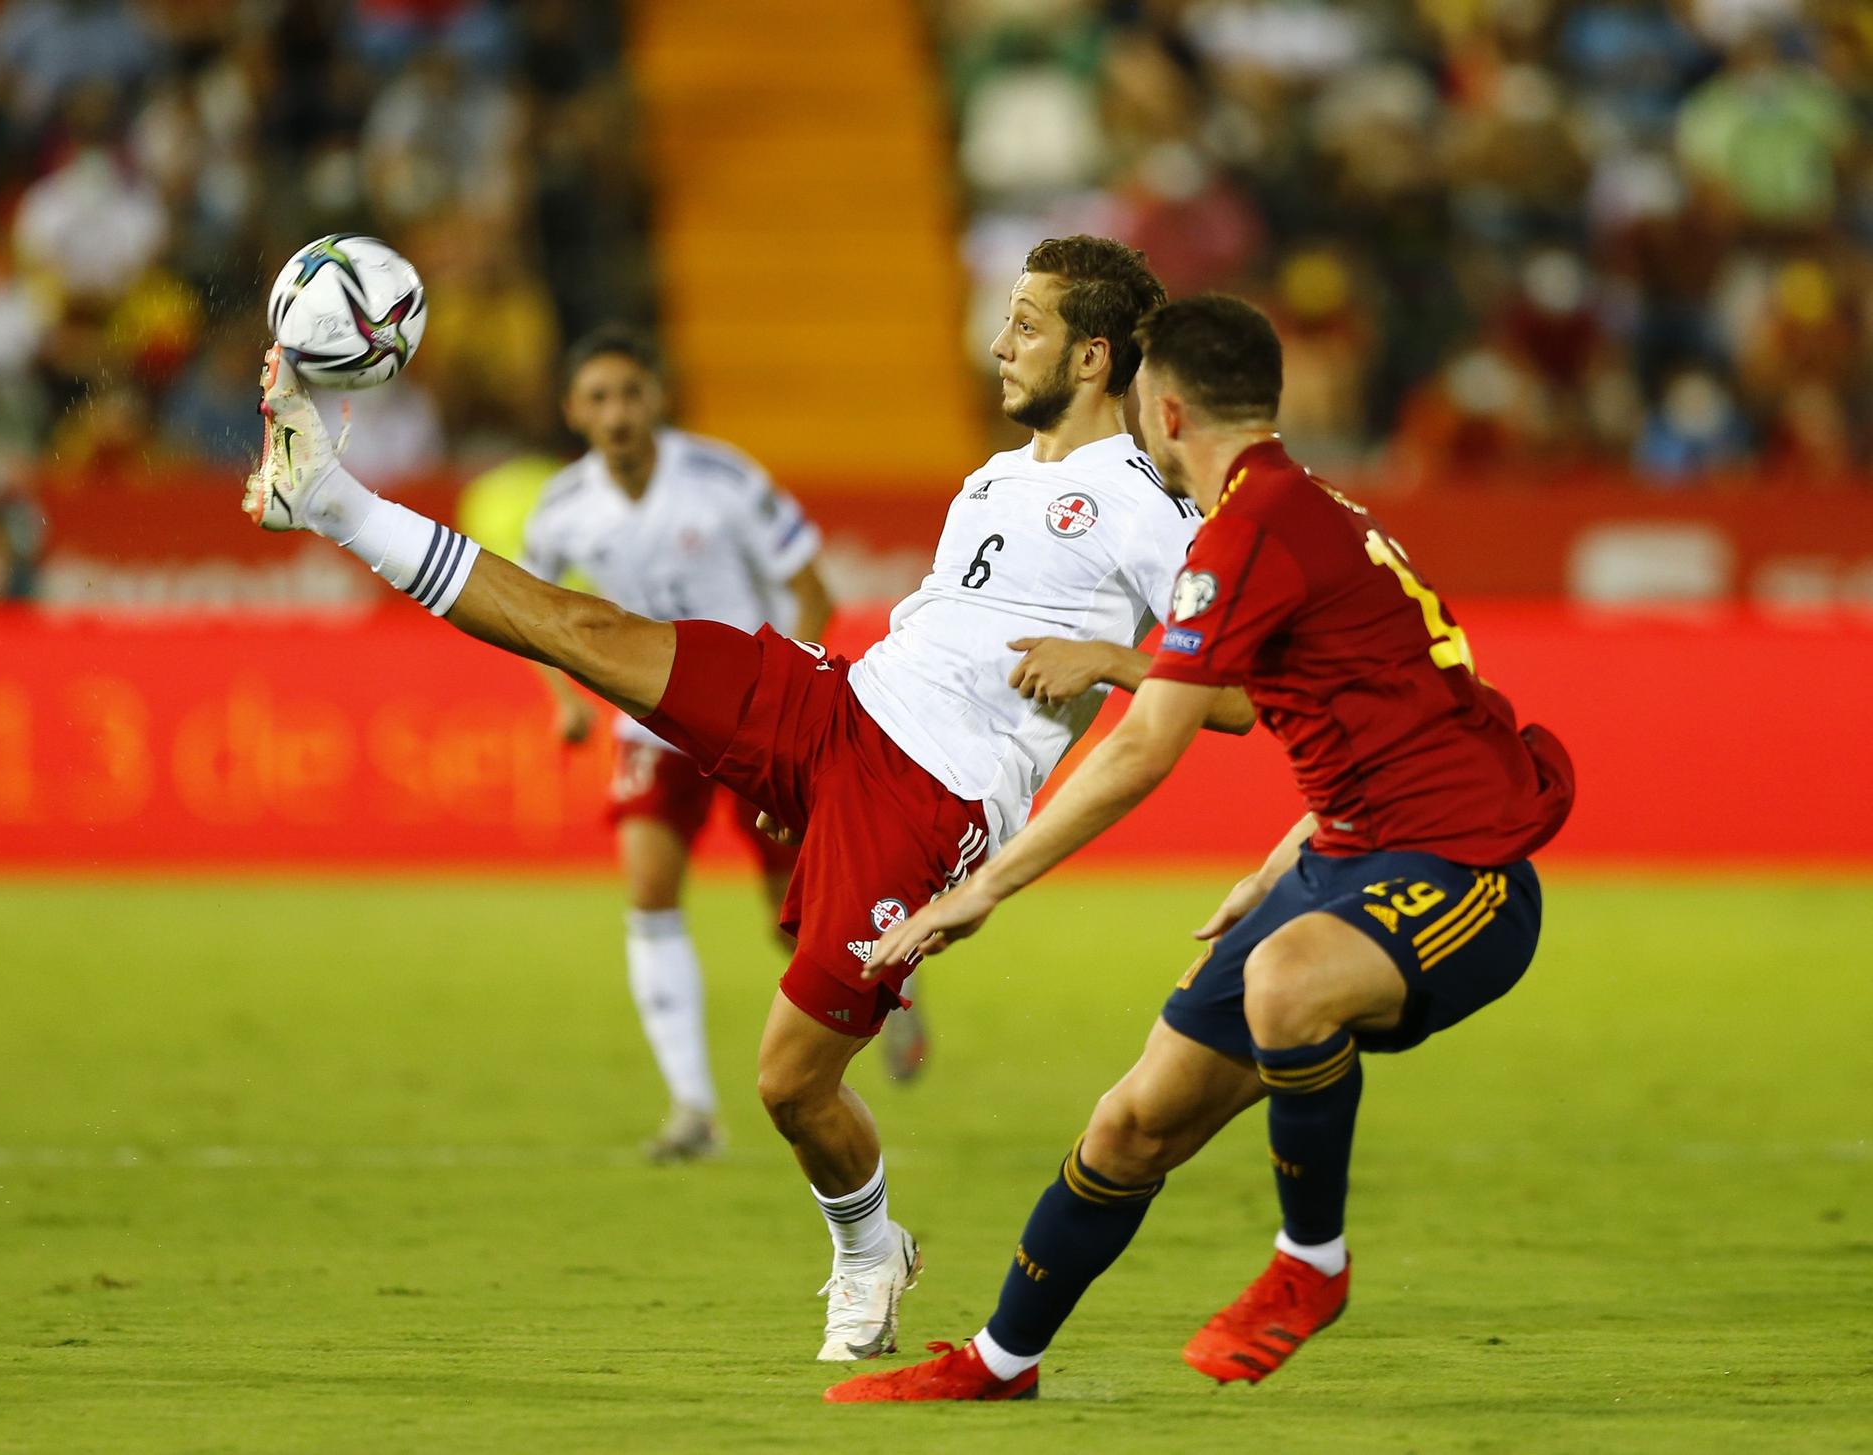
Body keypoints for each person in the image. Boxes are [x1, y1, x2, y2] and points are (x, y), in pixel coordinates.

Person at [239, 236, 1252, 1363]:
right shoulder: (997, 474)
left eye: (1025, 324)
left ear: (1093, 354)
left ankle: (870, 1247)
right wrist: (809, 782)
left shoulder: (1147, 506)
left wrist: (1104, 663)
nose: (999, 343)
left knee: (788, 1085)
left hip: (928, 810)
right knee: (591, 633)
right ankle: (327, 495)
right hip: (838, 712)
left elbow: (1238, 697)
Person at [822, 294, 1575, 1403]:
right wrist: (1275, 872)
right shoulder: (1302, 513)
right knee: (1132, 1122)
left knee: (1285, 985)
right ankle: (998, 1362)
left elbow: (1142, 754)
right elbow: (1373, 724)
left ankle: (1307, 1266)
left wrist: (978, 891)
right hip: (1346, 857)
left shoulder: (1247, 532)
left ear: (1161, 411)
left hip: (1465, 872)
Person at [520, 324, 840, 1163]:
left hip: (753, 711)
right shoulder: (560, 511)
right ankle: (693, 1108)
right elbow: (533, 620)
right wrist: (563, 696)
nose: (617, 413)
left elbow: (813, 589)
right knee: (650, 890)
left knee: (798, 918)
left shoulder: (723, 479)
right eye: (598, 398)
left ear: (656, 398)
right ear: (572, 412)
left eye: (629, 393)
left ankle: (887, 991)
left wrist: (795, 692)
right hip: (650, 718)